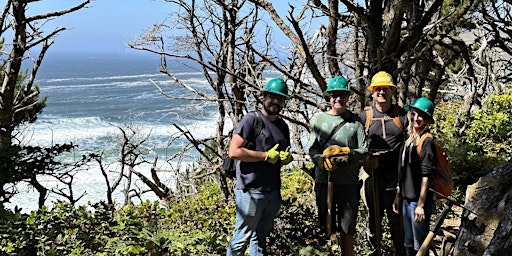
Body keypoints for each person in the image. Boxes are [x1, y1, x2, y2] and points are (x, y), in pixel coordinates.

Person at [226, 77, 293, 256]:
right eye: (272, 97)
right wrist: (265, 156)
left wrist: (285, 158)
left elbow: (284, 151)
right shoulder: (251, 120)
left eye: (280, 99)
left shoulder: (282, 126)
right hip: (251, 190)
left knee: (260, 238)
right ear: (264, 97)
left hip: (272, 190)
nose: (276, 102)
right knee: (241, 239)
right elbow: (233, 151)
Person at [308, 76, 368, 256]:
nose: (338, 99)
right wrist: (320, 160)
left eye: (342, 95)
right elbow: (312, 150)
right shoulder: (319, 121)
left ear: (348, 97)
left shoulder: (355, 122)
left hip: (348, 183)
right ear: (329, 97)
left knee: (347, 229)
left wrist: (348, 152)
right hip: (323, 182)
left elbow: (364, 151)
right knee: (325, 228)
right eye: (334, 95)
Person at [359, 71, 407, 256]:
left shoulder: (401, 115)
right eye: (378, 89)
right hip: (372, 178)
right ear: (372, 92)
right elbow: (355, 145)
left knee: (397, 223)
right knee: (374, 221)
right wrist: (365, 160)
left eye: (385, 89)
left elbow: (411, 144)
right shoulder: (364, 117)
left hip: (395, 179)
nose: (381, 93)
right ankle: (375, 252)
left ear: (392, 92)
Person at [393, 97, 436, 256]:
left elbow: (426, 175)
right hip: (406, 200)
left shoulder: (426, 141)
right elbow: (402, 171)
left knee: (420, 247)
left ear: (427, 120)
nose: (416, 118)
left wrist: (420, 205)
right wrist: (399, 195)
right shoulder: (408, 140)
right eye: (414, 114)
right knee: (409, 244)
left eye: (421, 116)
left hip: (418, 202)